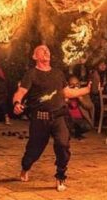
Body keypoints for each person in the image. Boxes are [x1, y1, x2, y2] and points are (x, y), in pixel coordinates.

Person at [12, 45, 91, 192]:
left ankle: (60, 176)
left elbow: (66, 92)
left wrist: (86, 90)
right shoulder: (31, 74)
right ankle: (25, 166)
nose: (47, 51)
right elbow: (20, 92)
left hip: (59, 117)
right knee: (34, 150)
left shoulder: (58, 73)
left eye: (48, 49)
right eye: (42, 50)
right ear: (35, 56)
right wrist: (17, 103)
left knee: (62, 145)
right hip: (40, 119)